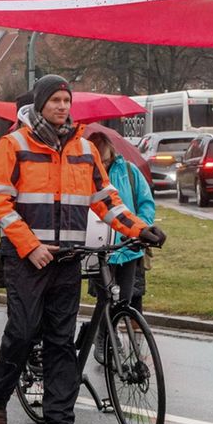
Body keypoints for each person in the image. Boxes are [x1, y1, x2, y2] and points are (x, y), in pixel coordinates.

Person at [0, 76, 164, 424]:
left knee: (61, 341)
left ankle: (59, 422)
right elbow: (0, 203)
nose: (63, 106)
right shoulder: (13, 145)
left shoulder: (83, 148)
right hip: (26, 258)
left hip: (67, 260)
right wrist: (30, 246)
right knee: (23, 330)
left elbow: (106, 199)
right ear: (41, 103)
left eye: (67, 100)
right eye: (56, 100)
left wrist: (140, 229)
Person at [86, 130, 155, 318]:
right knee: (104, 299)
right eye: (99, 162)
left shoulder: (129, 171)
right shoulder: (85, 175)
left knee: (125, 298)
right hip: (98, 246)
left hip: (127, 246)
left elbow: (145, 202)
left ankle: (114, 337)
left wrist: (142, 229)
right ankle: (104, 338)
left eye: (106, 161)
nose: (103, 166)